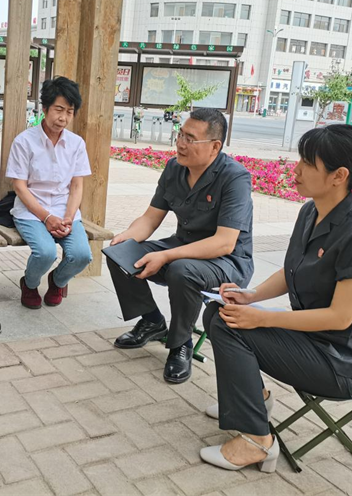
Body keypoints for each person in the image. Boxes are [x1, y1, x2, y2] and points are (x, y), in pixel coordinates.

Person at [199, 124, 352, 473]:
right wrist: (251, 296)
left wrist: (264, 317)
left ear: (339, 176)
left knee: (231, 328)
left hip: (340, 361)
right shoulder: (311, 212)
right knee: (219, 312)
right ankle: (253, 402)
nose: (296, 168)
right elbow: (293, 271)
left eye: (307, 163)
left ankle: (257, 440)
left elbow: (340, 317)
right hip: (312, 340)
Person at [108, 108, 253, 384]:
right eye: (180, 135)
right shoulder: (175, 168)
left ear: (215, 147)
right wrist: (127, 237)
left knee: (182, 270)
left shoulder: (235, 177)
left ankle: (180, 343)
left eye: (190, 139)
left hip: (227, 263)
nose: (181, 144)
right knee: (120, 254)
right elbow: (150, 218)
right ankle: (152, 321)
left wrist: (166, 256)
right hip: (182, 249)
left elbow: (224, 242)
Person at [6, 77, 92, 309]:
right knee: (45, 253)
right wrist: (46, 217)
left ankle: (57, 281)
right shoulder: (24, 142)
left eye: (69, 112)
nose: (63, 118)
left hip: (65, 211)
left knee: (82, 255)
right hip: (31, 211)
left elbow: (77, 186)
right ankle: (30, 284)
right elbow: (19, 187)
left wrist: (68, 217)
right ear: (44, 108)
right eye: (58, 110)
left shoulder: (76, 144)